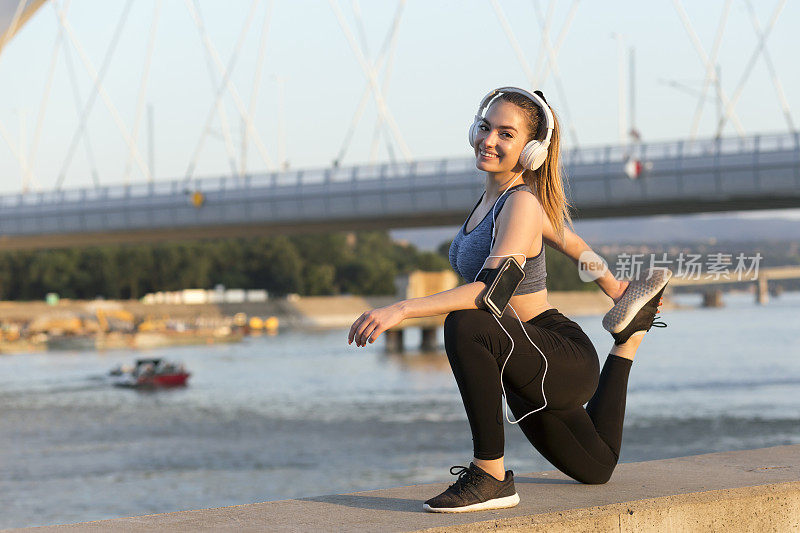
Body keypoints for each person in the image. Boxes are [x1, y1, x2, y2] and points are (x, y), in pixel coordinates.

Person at [347, 87, 671, 513]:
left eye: (505, 133)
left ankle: (490, 475)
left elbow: (492, 292)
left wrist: (402, 308)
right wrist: (615, 288)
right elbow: (570, 241)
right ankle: (628, 344)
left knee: (465, 322)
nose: (489, 140)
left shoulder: (520, 201)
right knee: (597, 468)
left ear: (531, 150)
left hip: (556, 355)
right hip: (524, 362)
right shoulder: (496, 202)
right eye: (485, 128)